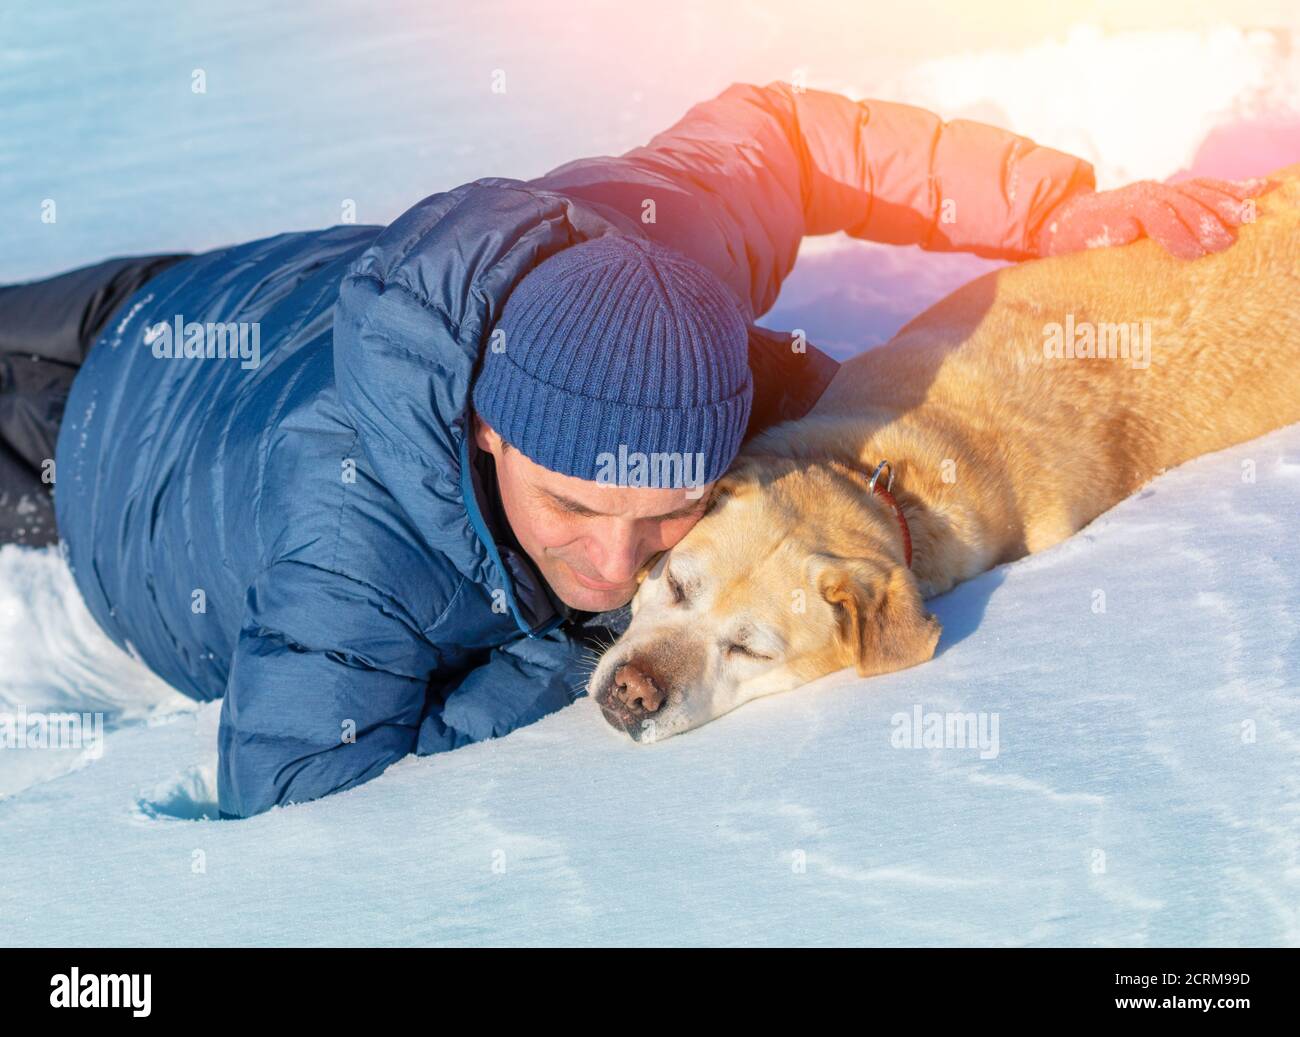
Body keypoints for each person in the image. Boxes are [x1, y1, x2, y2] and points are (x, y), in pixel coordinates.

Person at [0, 81, 1265, 818]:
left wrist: (1056, 206)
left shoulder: (662, 260)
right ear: (490, 431)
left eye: (668, 526)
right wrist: (550, 659)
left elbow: (801, 136)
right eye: (571, 505)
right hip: (109, 439)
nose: (613, 568)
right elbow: (293, 803)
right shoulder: (350, 545)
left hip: (277, 286)